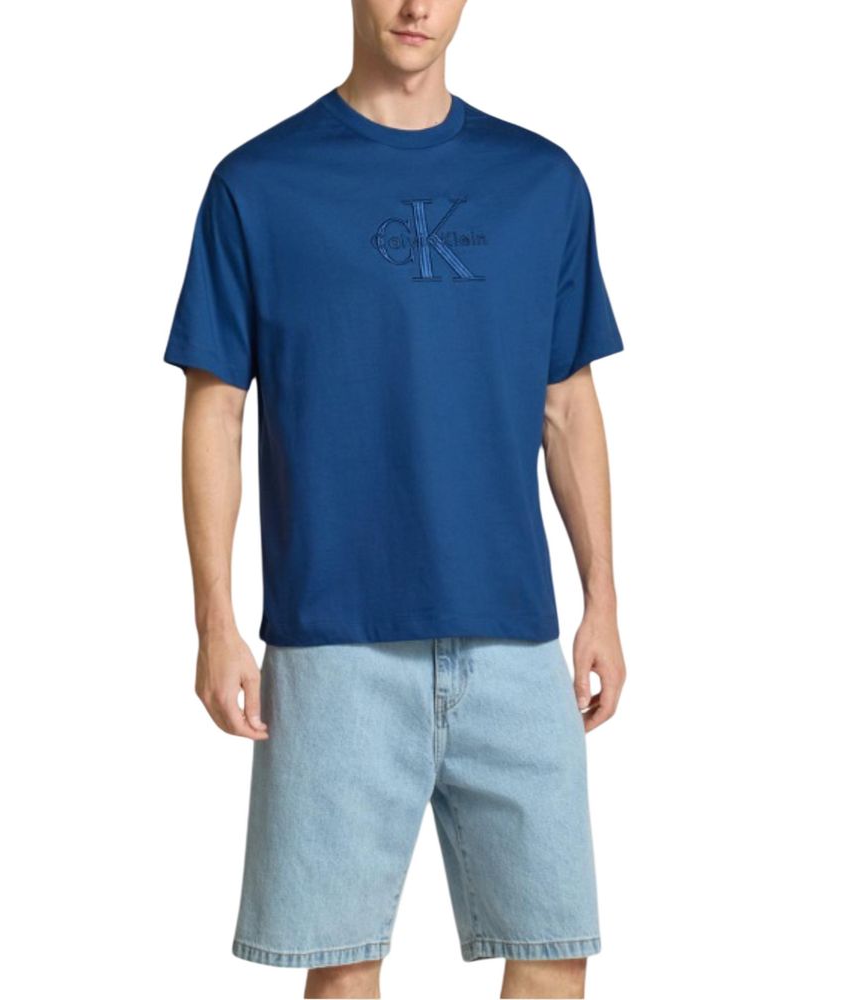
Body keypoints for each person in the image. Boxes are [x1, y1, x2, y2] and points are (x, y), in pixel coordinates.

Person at [163, 1, 627, 996]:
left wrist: (603, 600)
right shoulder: (259, 184)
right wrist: (214, 622)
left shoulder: (542, 182)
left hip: (514, 634)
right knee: (341, 970)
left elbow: (566, 401)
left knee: (554, 952)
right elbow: (215, 410)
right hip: (334, 642)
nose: (416, 6)